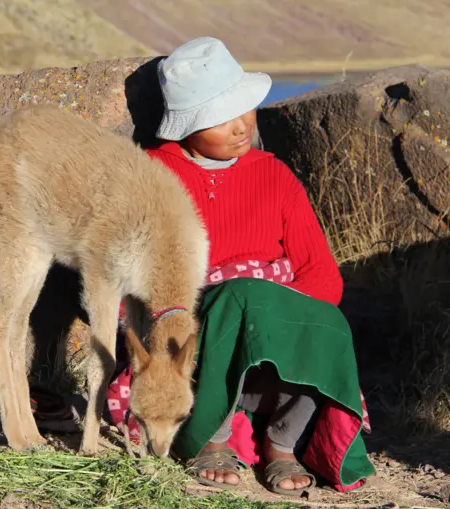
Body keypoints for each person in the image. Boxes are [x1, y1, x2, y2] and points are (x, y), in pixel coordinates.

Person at [107, 37, 375, 496]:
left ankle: (283, 441)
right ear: (186, 127)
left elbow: (322, 276)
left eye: (245, 110)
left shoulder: (275, 175)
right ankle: (212, 435)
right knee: (235, 298)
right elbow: (124, 273)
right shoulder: (151, 176)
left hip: (274, 338)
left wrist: (270, 309)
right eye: (220, 118)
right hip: (201, 336)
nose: (241, 126)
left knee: (327, 322)